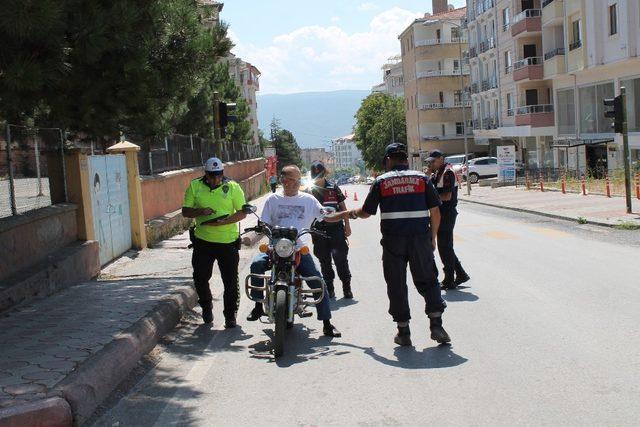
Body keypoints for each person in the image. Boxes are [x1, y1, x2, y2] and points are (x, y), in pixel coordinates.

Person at [324, 143, 450, 346]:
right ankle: (436, 324)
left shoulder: (381, 182)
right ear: (406, 159)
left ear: (388, 160)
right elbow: (435, 211)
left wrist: (345, 215)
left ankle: (404, 332)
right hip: (420, 239)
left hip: (393, 242)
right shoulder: (422, 179)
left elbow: (366, 212)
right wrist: (433, 237)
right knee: (429, 279)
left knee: (397, 283)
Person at [246, 165, 342, 337]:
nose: (292, 183)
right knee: (256, 265)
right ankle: (258, 306)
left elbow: (325, 214)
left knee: (317, 281)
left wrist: (345, 214)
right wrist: (261, 229)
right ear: (282, 180)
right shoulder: (272, 199)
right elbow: (266, 223)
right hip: (275, 247)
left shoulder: (308, 200)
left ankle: (327, 323)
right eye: (288, 179)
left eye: (296, 180)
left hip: (298, 248)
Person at [182, 157, 247, 328]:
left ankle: (230, 315)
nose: (216, 179)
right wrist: (201, 211)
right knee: (200, 278)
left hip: (228, 242)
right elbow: (185, 211)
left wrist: (224, 222)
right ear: (206, 174)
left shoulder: (232, 187)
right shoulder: (195, 186)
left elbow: (242, 212)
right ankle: (206, 306)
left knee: (231, 281)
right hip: (203, 242)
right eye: (212, 176)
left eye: (219, 175)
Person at [306, 161, 353, 299]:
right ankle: (330, 289)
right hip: (319, 232)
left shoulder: (333, 188)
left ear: (325, 173)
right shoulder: (309, 191)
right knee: (324, 261)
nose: (318, 177)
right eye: (315, 174)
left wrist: (347, 225)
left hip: (336, 230)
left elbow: (343, 208)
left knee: (341, 260)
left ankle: (347, 288)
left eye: (320, 173)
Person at [427, 150, 470, 290]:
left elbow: (447, 196)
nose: (431, 163)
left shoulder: (447, 173)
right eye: (430, 161)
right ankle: (461, 274)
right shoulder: (438, 173)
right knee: (446, 247)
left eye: (433, 161)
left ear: (441, 159)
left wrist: (431, 197)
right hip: (441, 212)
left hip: (447, 213)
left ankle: (449, 279)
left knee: (445, 247)